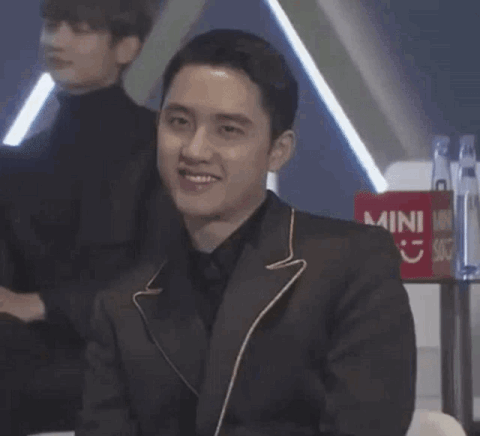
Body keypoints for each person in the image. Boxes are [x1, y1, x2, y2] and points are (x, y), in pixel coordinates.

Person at [77, 29, 417, 436]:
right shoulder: (121, 306)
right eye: (179, 122)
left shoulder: (352, 266)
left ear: (279, 150)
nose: (194, 150)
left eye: (228, 130)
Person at [0, 0, 179, 434]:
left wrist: (42, 305)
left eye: (79, 30)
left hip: (117, 362)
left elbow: (162, 279)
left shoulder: (162, 150)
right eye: (51, 26)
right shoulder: (19, 163)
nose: (57, 41)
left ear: (127, 47)